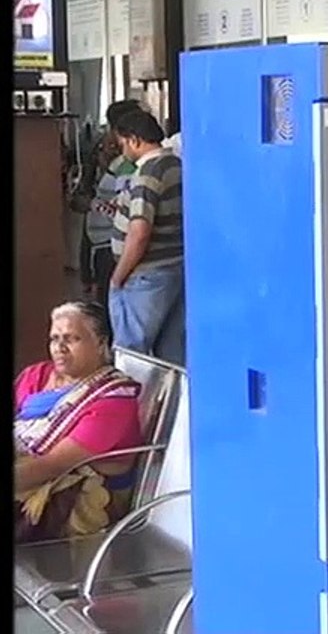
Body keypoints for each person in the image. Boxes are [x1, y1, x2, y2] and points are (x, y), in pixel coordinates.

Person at [14, 301, 143, 543]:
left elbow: (52, 466)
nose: (59, 348)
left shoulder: (113, 400)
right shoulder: (36, 375)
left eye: (71, 339)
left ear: (101, 343)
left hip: (71, 499)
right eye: (54, 338)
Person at [109, 108, 186, 366]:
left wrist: (118, 276)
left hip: (146, 274)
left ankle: (128, 394)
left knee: (131, 353)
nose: (123, 151)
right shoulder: (175, 164)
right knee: (171, 352)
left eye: (123, 144)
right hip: (174, 269)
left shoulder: (147, 173)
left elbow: (140, 232)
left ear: (134, 140)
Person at [76, 100, 143, 316]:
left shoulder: (139, 161)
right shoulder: (99, 153)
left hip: (119, 243)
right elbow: (79, 198)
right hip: (101, 240)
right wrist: (94, 204)